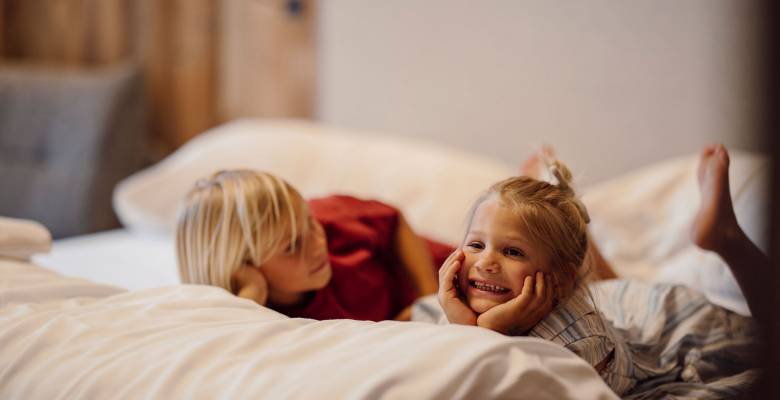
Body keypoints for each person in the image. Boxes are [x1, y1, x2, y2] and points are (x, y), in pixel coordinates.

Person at [433, 144, 762, 396]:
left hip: (669, 326)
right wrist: (466, 321)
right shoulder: (462, 299)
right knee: (608, 283)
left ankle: (728, 239)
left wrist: (487, 329)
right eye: (476, 245)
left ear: (560, 282)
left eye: (512, 251)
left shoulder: (578, 340)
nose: (486, 263)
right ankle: (565, 228)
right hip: (616, 302)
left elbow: (503, 384)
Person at [176, 170, 453, 321]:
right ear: (241, 268)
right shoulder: (252, 310)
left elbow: (394, 220)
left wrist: (427, 301)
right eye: (292, 245)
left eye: (309, 222)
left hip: (443, 274)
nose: (316, 243)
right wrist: (251, 290)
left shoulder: (331, 218)